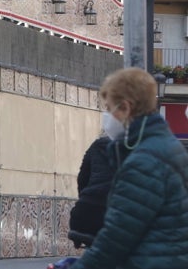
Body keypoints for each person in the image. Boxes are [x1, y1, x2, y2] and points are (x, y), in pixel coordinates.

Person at [70, 67, 188, 269]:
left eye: (110, 109)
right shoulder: (167, 146)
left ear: (125, 107)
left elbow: (116, 238)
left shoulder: (143, 161)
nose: (108, 116)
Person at [68, 135, 114, 248]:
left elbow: (82, 178)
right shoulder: (130, 151)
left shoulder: (96, 146)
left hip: (80, 214)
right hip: (108, 218)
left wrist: (84, 201)